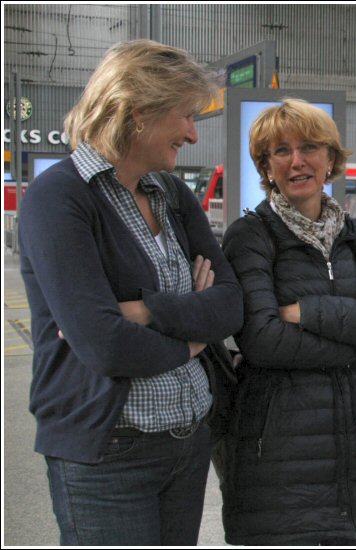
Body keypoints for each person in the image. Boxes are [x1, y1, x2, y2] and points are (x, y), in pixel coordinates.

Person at [17, 39, 243, 546]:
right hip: (108, 451)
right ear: (139, 112)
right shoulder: (59, 197)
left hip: (187, 444)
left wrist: (146, 310)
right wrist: (191, 336)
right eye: (186, 116)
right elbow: (103, 343)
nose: (191, 132)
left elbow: (229, 304)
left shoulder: (173, 193)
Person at [220, 98, 356, 546]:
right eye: (280, 151)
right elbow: (263, 340)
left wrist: (307, 312)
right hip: (281, 466)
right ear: (266, 167)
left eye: (310, 146)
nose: (297, 161)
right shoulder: (251, 237)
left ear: (331, 159)